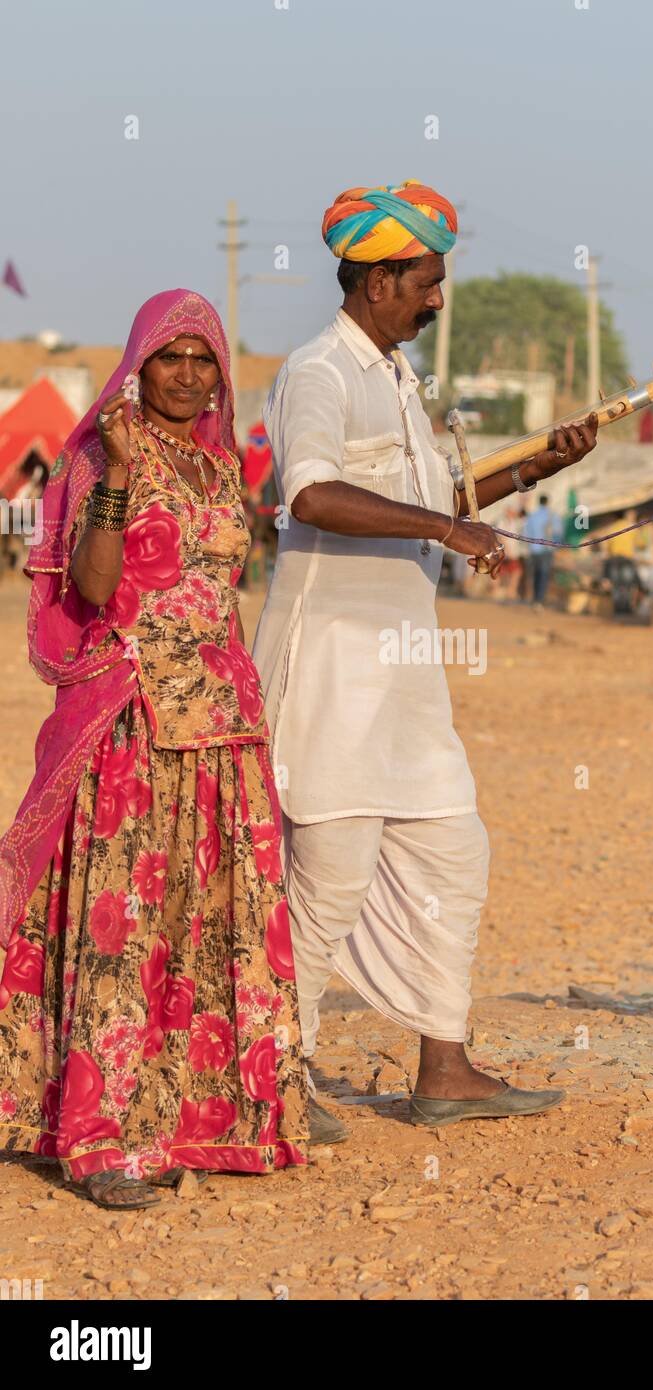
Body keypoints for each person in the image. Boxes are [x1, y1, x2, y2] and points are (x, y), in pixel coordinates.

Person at [252, 181, 598, 1138]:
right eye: (427, 284)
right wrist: (450, 526)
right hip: (330, 661)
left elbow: (446, 490)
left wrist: (536, 468)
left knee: (454, 847)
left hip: (405, 666)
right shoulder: (319, 371)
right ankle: (279, 1068)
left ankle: (443, 1066)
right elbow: (313, 494)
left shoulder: (402, 378)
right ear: (377, 281)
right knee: (330, 869)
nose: (437, 301)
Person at [0, 290, 307, 1208]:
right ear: (138, 364)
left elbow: (224, 592)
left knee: (202, 925)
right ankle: (100, 1140)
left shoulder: (222, 467)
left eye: (201, 358)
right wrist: (123, 475)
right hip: (131, 723)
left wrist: (252, 696)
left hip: (220, 727)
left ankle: (192, 1119)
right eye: (167, 356)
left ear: (221, 370)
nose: (185, 373)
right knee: (119, 926)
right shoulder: (101, 455)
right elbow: (94, 587)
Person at [523, 495, 563, 606]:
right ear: (547, 502)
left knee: (536, 574)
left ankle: (535, 598)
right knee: (544, 574)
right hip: (547, 550)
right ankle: (539, 600)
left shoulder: (532, 516)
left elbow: (526, 534)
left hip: (534, 550)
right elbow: (558, 533)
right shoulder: (553, 516)